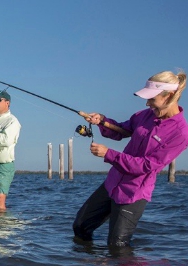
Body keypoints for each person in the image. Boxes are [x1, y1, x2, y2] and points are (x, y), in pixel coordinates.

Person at [73, 70, 188, 247]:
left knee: (117, 245)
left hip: (133, 193)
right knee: (80, 226)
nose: (148, 103)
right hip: (112, 183)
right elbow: (123, 130)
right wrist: (102, 121)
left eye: (152, 99)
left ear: (169, 96)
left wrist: (108, 154)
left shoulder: (180, 133)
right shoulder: (144, 115)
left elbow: (147, 165)